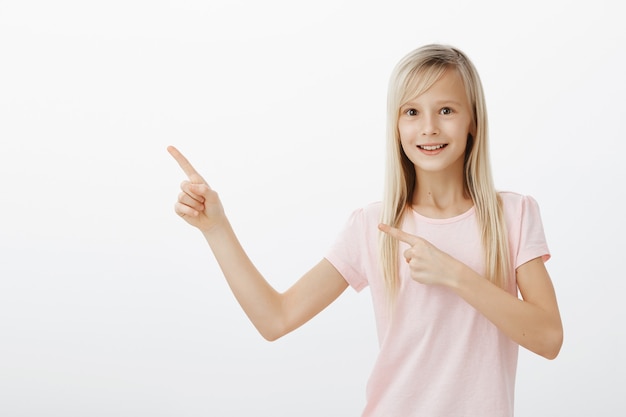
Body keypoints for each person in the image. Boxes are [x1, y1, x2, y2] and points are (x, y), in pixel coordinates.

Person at [167, 43, 563, 417]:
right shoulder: (373, 227)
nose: (428, 127)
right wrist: (216, 228)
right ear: (395, 125)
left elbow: (549, 339)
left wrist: (456, 276)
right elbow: (276, 319)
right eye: (411, 112)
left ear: (473, 120)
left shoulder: (513, 214)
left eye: (446, 110)